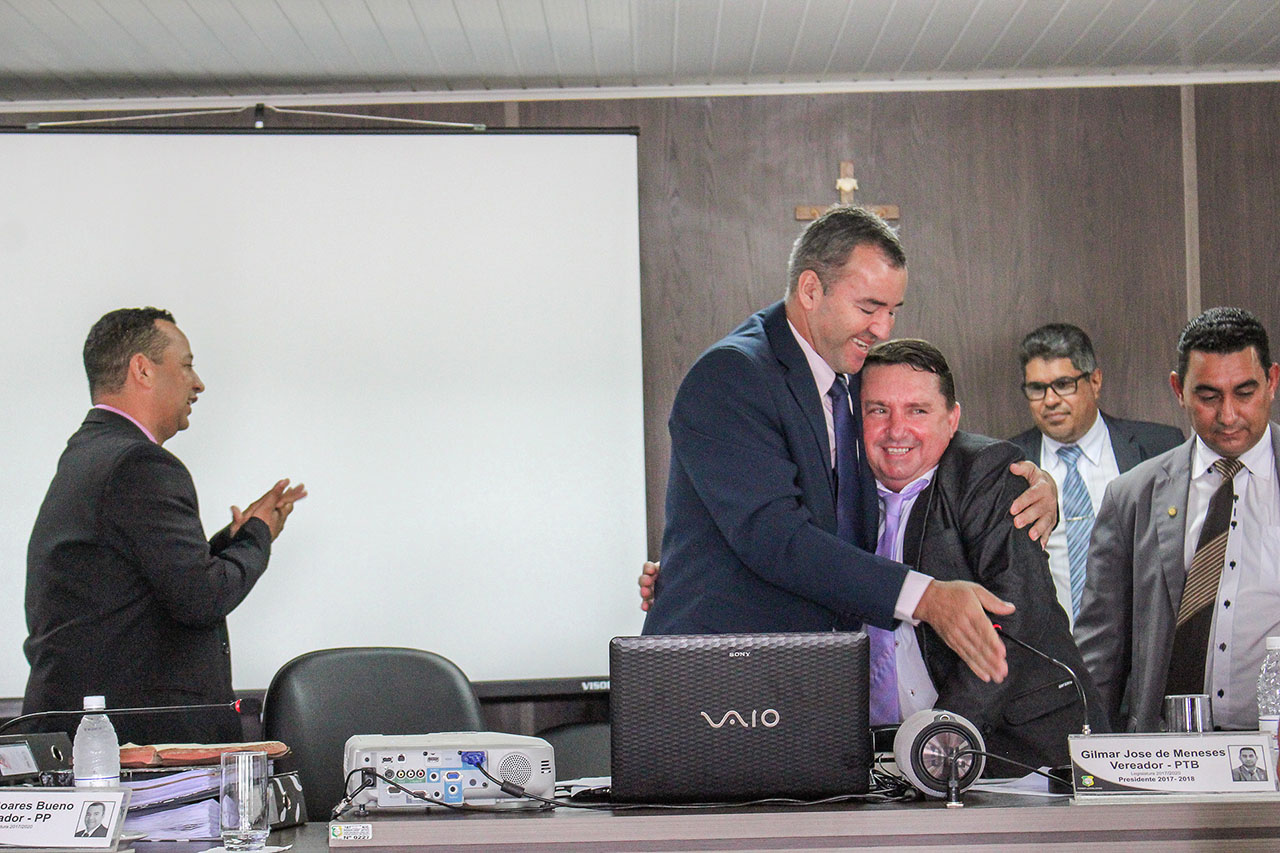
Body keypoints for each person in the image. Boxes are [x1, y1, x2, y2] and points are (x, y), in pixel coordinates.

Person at [642, 206, 1058, 685]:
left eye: (892, 311)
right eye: (868, 308)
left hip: (810, 678)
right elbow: (776, 537)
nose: (883, 329)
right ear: (810, 290)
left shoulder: (846, 376)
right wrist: (926, 598)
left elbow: (916, 441)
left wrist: (1025, 481)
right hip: (719, 681)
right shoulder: (733, 375)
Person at [23, 307, 306, 745]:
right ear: (142, 369)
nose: (198, 383)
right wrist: (257, 536)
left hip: (88, 735)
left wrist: (229, 541)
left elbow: (151, 578)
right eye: (187, 365)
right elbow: (201, 597)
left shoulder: (89, 453)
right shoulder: (140, 463)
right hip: (133, 749)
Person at [854, 339, 1103, 768]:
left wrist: (938, 743)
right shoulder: (836, 487)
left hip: (1018, 752)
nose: (896, 430)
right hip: (882, 760)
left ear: (952, 419)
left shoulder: (987, 471)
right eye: (878, 410)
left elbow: (1014, 616)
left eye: (917, 411)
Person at [1076, 307, 1280, 733]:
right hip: (1170, 751)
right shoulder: (1132, 496)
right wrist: (1090, 750)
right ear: (1178, 390)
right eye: (1209, 396)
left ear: (1272, 382)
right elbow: (1101, 652)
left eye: (1244, 393)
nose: (1228, 415)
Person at [1009, 323, 1183, 627]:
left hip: (1140, 639)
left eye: (1063, 384)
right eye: (1037, 388)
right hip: (1052, 644)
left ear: (1095, 381)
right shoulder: (1010, 466)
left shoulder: (1160, 448)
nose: (1050, 400)